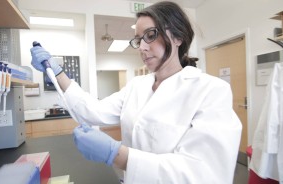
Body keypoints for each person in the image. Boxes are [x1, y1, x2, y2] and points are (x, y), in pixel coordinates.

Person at [30, 1, 242, 183]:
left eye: (150, 35)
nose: (141, 47)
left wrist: (117, 155)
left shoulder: (211, 90)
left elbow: (204, 175)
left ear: (178, 37)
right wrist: (56, 72)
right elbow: (93, 111)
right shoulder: (137, 85)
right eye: (139, 39)